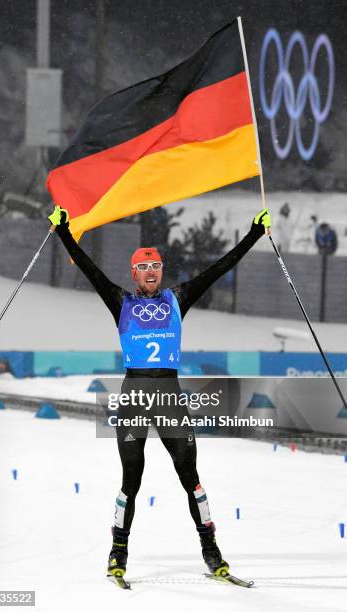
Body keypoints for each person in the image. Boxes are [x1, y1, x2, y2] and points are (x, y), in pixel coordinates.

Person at [48, 205, 271, 583]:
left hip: (170, 399)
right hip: (134, 399)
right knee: (131, 479)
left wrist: (253, 233)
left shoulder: (176, 299)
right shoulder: (122, 302)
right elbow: (89, 269)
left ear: (161, 272)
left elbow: (217, 270)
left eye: (156, 268)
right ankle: (118, 553)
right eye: (144, 268)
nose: (151, 273)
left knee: (191, 476)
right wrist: (64, 233)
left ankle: (211, 550)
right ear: (134, 274)